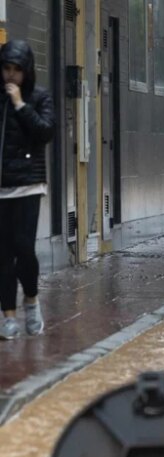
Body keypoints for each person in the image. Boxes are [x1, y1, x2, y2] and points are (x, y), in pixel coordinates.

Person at [0, 40, 56, 340]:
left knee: (24, 249)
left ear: (27, 72)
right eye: (6, 69)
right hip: (1, 185)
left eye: (16, 71)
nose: (11, 76)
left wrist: (20, 105)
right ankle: (8, 316)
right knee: (3, 255)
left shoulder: (39, 96)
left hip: (28, 185)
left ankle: (31, 301)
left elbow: (45, 132)